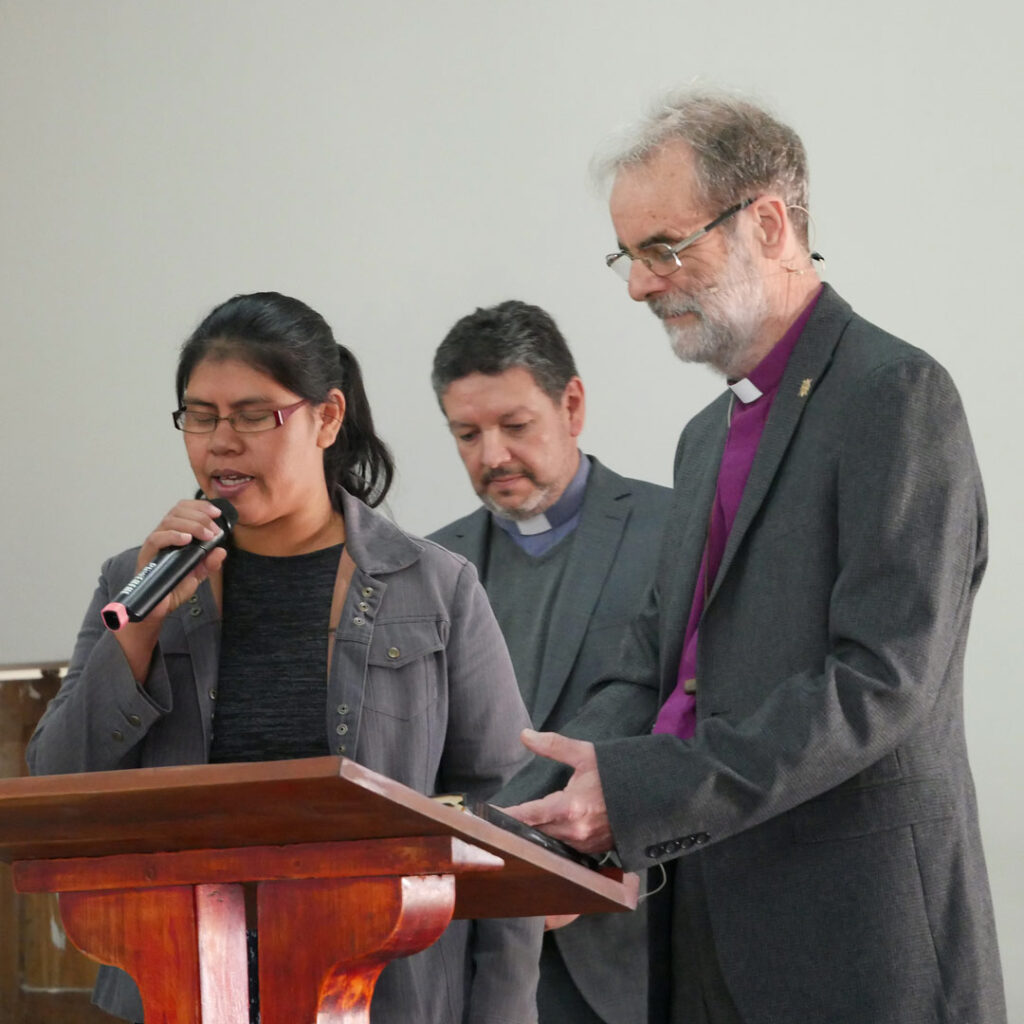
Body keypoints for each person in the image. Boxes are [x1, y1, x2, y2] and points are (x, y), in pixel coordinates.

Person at [498, 91, 1007, 1023]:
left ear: (769, 223)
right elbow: (653, 668)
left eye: (664, 248)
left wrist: (643, 793)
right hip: (698, 930)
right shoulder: (702, 441)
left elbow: (881, 683)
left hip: (854, 944)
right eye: (628, 255)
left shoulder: (898, 395)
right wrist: (509, 818)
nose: (640, 285)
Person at [27, 291, 541, 1024]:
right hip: (179, 987)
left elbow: (502, 823)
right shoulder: (133, 581)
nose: (220, 442)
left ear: (327, 417)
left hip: (384, 991)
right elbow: (56, 781)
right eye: (199, 416)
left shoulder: (434, 586)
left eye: (253, 415)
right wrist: (137, 634)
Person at [427, 300, 673, 1024]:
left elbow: (704, 725)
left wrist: (595, 864)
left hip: (634, 944)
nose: (492, 455)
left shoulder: (676, 530)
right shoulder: (428, 566)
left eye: (514, 426)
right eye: (466, 434)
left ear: (572, 404)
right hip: (475, 953)